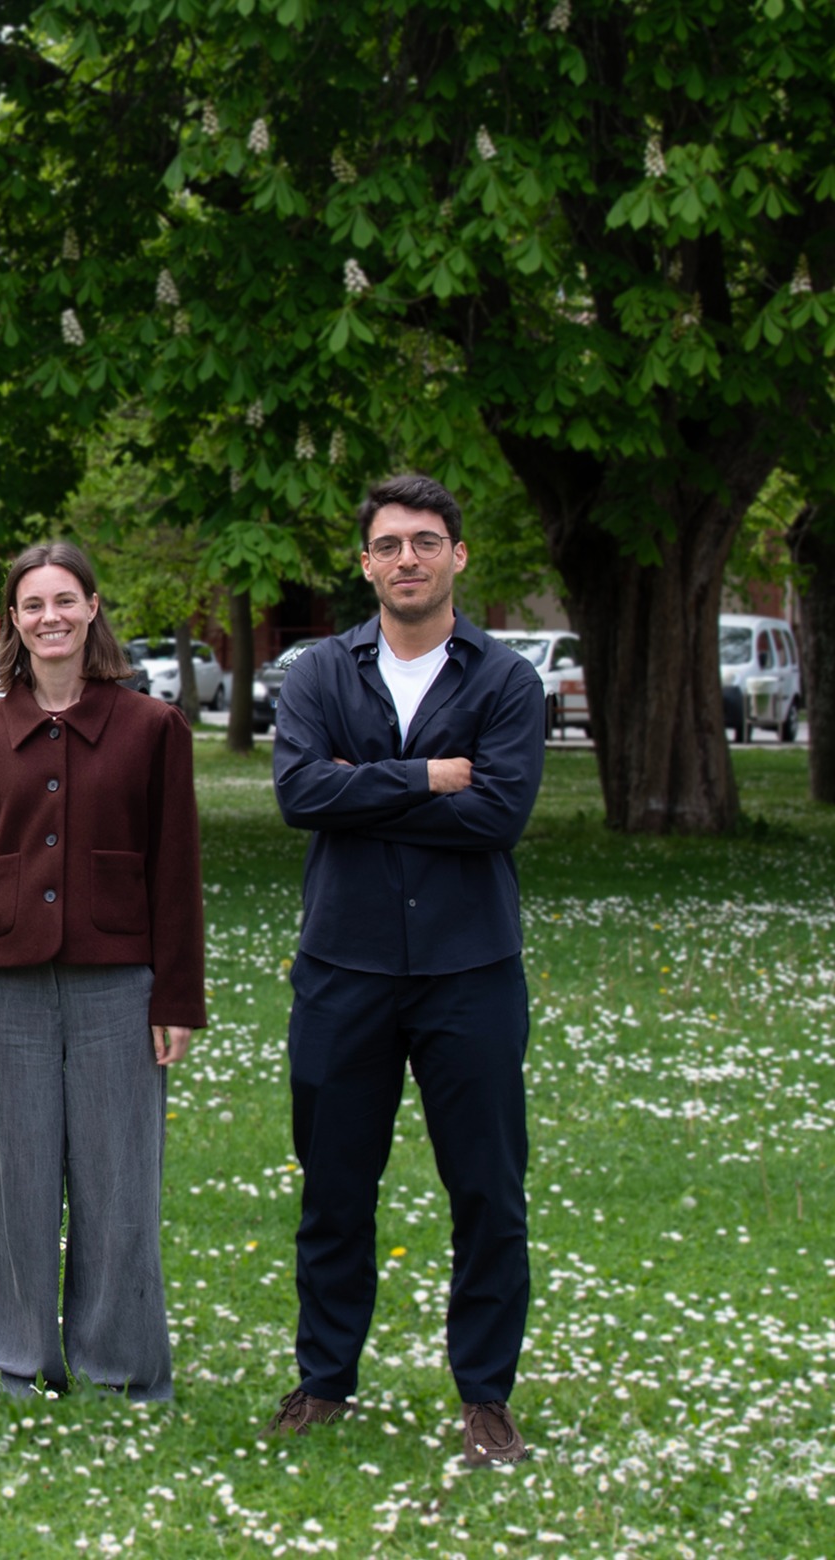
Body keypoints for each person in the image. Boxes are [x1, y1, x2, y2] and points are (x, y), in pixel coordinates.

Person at [265, 473, 545, 1466]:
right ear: (365, 562)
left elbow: (499, 815)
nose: (407, 560)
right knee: (335, 1189)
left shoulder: (506, 681)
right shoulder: (316, 674)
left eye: (425, 541)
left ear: (457, 556)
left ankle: (485, 1397)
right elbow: (300, 793)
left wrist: (360, 788)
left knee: (487, 1189)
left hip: (470, 970)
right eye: (388, 544)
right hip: (344, 968)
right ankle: (324, 1378)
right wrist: (429, 776)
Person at [0, 540, 205, 1402]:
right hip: (2, 987)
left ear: (92, 608)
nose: (50, 617)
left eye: (65, 600)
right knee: (11, 1181)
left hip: (118, 986)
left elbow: (176, 871)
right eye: (32, 604)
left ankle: (120, 1366)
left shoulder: (153, 729)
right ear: (12, 622)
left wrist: (177, 997)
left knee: (120, 1180)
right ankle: (14, 1361)